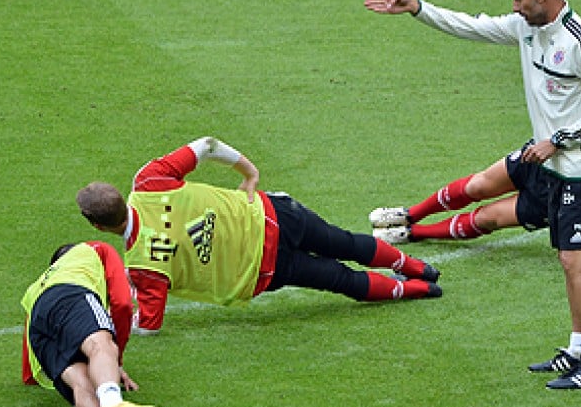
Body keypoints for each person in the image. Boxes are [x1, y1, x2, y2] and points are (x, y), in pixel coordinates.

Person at [365, 0, 581, 390]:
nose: (514, 7)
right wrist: (418, 8)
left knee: (578, 265)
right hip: (549, 164)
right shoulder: (526, 28)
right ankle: (577, 348)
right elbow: (473, 26)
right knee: (565, 262)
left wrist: (558, 140)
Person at [76, 136, 442, 334]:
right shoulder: (149, 181)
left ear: (97, 226)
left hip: (263, 269)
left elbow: (150, 324)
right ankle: (418, 268)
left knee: (340, 279)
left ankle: (421, 290)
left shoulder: (142, 266)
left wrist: (112, 313)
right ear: (122, 197)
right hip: (272, 215)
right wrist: (249, 173)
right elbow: (206, 145)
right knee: (345, 242)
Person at [369, 85, 581, 282]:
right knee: (478, 186)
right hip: (546, 158)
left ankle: (411, 234)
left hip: (561, 200)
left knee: (488, 218)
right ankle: (410, 213)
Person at [21, 241, 167, 407]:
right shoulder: (93, 250)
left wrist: (30, 376)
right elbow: (123, 304)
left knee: (79, 382)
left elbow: (29, 342)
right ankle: (114, 405)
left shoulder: (36, 287)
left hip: (38, 328)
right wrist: (115, 360)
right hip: (71, 295)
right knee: (100, 345)